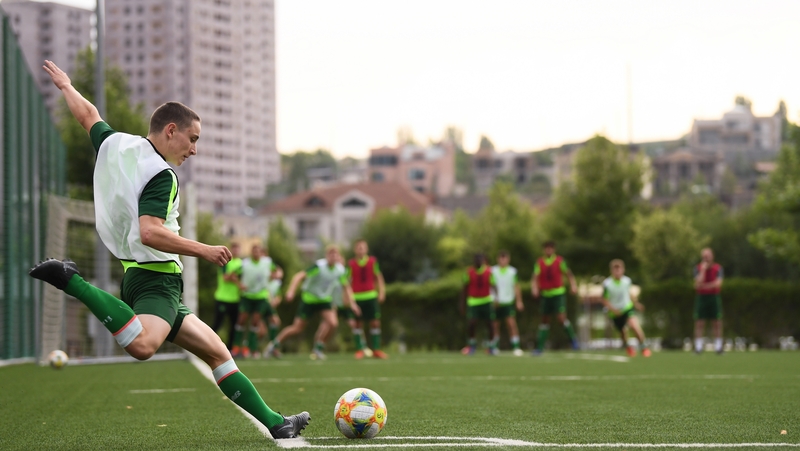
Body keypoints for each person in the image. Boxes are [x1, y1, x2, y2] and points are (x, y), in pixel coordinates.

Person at [29, 61, 308, 439]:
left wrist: (66, 86)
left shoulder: (117, 145)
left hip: (149, 279)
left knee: (218, 353)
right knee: (144, 345)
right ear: (171, 130)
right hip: (155, 279)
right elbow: (151, 233)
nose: (194, 149)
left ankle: (277, 424)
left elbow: (88, 116)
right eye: (192, 139)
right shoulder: (162, 175)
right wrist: (204, 250)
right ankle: (72, 280)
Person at [264, 245, 360, 360]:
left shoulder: (340, 270)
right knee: (297, 328)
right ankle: (273, 345)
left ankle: (318, 348)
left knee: (333, 323)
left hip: (324, 299)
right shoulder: (319, 267)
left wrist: (352, 304)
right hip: (309, 299)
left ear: (338, 257)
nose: (333, 257)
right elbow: (299, 276)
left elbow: (346, 286)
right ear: (326, 256)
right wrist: (291, 291)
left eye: (335, 255)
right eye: (331, 254)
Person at [531, 241, 579, 355]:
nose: (548, 250)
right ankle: (540, 347)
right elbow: (535, 276)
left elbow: (568, 273)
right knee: (544, 321)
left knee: (561, 319)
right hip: (545, 295)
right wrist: (534, 288)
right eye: (546, 248)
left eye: (550, 248)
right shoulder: (539, 262)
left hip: (558, 294)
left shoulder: (559, 261)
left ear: (554, 250)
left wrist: (573, 285)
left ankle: (573, 341)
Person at [231, 244, 276, 358]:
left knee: (255, 322)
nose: (256, 253)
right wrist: (239, 285)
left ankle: (252, 349)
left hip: (261, 297)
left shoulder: (267, 262)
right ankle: (236, 348)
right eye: (254, 251)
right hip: (247, 297)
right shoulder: (245, 264)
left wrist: (272, 277)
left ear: (261, 252)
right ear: (251, 252)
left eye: (258, 251)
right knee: (241, 321)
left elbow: (276, 271)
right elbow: (233, 275)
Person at [346, 240, 388, 359]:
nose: (361, 250)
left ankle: (376, 349)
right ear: (355, 250)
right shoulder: (351, 264)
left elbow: (378, 276)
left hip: (371, 296)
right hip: (357, 297)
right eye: (358, 248)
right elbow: (346, 281)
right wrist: (349, 298)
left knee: (375, 322)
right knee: (357, 324)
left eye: (363, 247)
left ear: (366, 249)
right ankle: (359, 349)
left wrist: (381, 292)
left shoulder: (372, 262)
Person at [601, 260, 651, 357]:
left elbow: (629, 294)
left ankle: (644, 347)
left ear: (623, 270)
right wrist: (613, 310)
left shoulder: (627, 281)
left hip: (626, 308)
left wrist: (636, 304)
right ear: (611, 271)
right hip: (615, 312)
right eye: (615, 269)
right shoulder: (607, 284)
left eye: (619, 269)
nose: (617, 271)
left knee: (634, 326)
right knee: (623, 332)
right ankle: (628, 347)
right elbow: (604, 299)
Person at [460, 253, 498, 356]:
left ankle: (491, 346)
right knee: (472, 323)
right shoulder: (469, 272)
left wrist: (496, 299)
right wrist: (462, 303)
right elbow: (464, 288)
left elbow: (494, 286)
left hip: (486, 301)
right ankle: (471, 345)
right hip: (473, 301)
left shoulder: (489, 272)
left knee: (490, 324)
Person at [491, 251, 525, 356]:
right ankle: (494, 347)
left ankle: (516, 346)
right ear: (498, 259)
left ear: (508, 259)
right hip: (496, 302)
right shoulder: (492, 271)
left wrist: (519, 301)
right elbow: (491, 286)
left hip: (508, 302)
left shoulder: (512, 272)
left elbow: (516, 287)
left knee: (511, 324)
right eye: (501, 258)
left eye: (504, 258)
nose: (503, 260)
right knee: (495, 325)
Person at [211, 242, 242, 351]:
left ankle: (230, 350)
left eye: (238, 249)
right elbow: (225, 278)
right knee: (217, 324)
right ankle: (207, 346)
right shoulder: (225, 261)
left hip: (235, 299)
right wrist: (234, 277)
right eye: (234, 249)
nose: (236, 251)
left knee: (234, 326)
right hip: (222, 298)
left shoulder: (242, 263)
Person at [693, 248, 724, 354]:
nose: (706, 259)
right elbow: (697, 283)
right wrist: (703, 270)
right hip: (701, 298)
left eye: (708, 256)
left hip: (714, 297)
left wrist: (704, 286)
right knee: (699, 323)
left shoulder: (718, 268)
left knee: (717, 322)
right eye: (704, 257)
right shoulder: (697, 268)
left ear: (712, 256)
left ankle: (719, 347)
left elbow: (718, 283)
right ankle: (698, 347)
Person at [260, 267, 284, 358]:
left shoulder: (277, 283)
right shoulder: (264, 281)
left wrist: (276, 301)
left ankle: (272, 348)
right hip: (262, 305)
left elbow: (278, 295)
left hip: (269, 307)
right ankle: (249, 347)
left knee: (276, 322)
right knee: (262, 332)